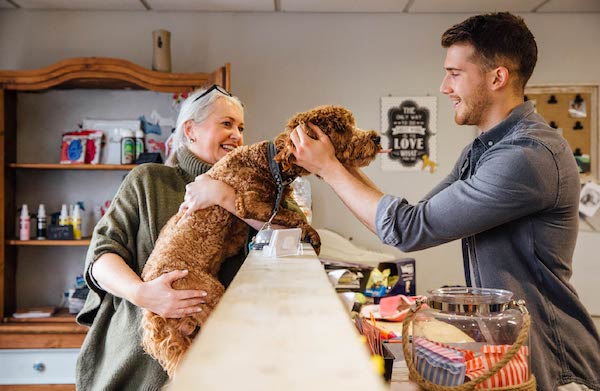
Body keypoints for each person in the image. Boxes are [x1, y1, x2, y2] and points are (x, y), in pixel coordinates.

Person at [289, 12, 600, 391]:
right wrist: (334, 165)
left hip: (555, 362)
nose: (444, 86)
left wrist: (330, 168)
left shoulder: (526, 156)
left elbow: (407, 230)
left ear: (496, 77)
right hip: (509, 352)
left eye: (454, 73)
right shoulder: (484, 150)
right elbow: (412, 219)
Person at [76, 85, 256, 390]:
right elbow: (100, 258)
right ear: (191, 130)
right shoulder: (148, 181)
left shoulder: (249, 192)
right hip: (138, 359)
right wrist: (142, 293)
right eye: (226, 123)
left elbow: (293, 232)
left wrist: (225, 196)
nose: (237, 135)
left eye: (241, 127)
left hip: (219, 359)